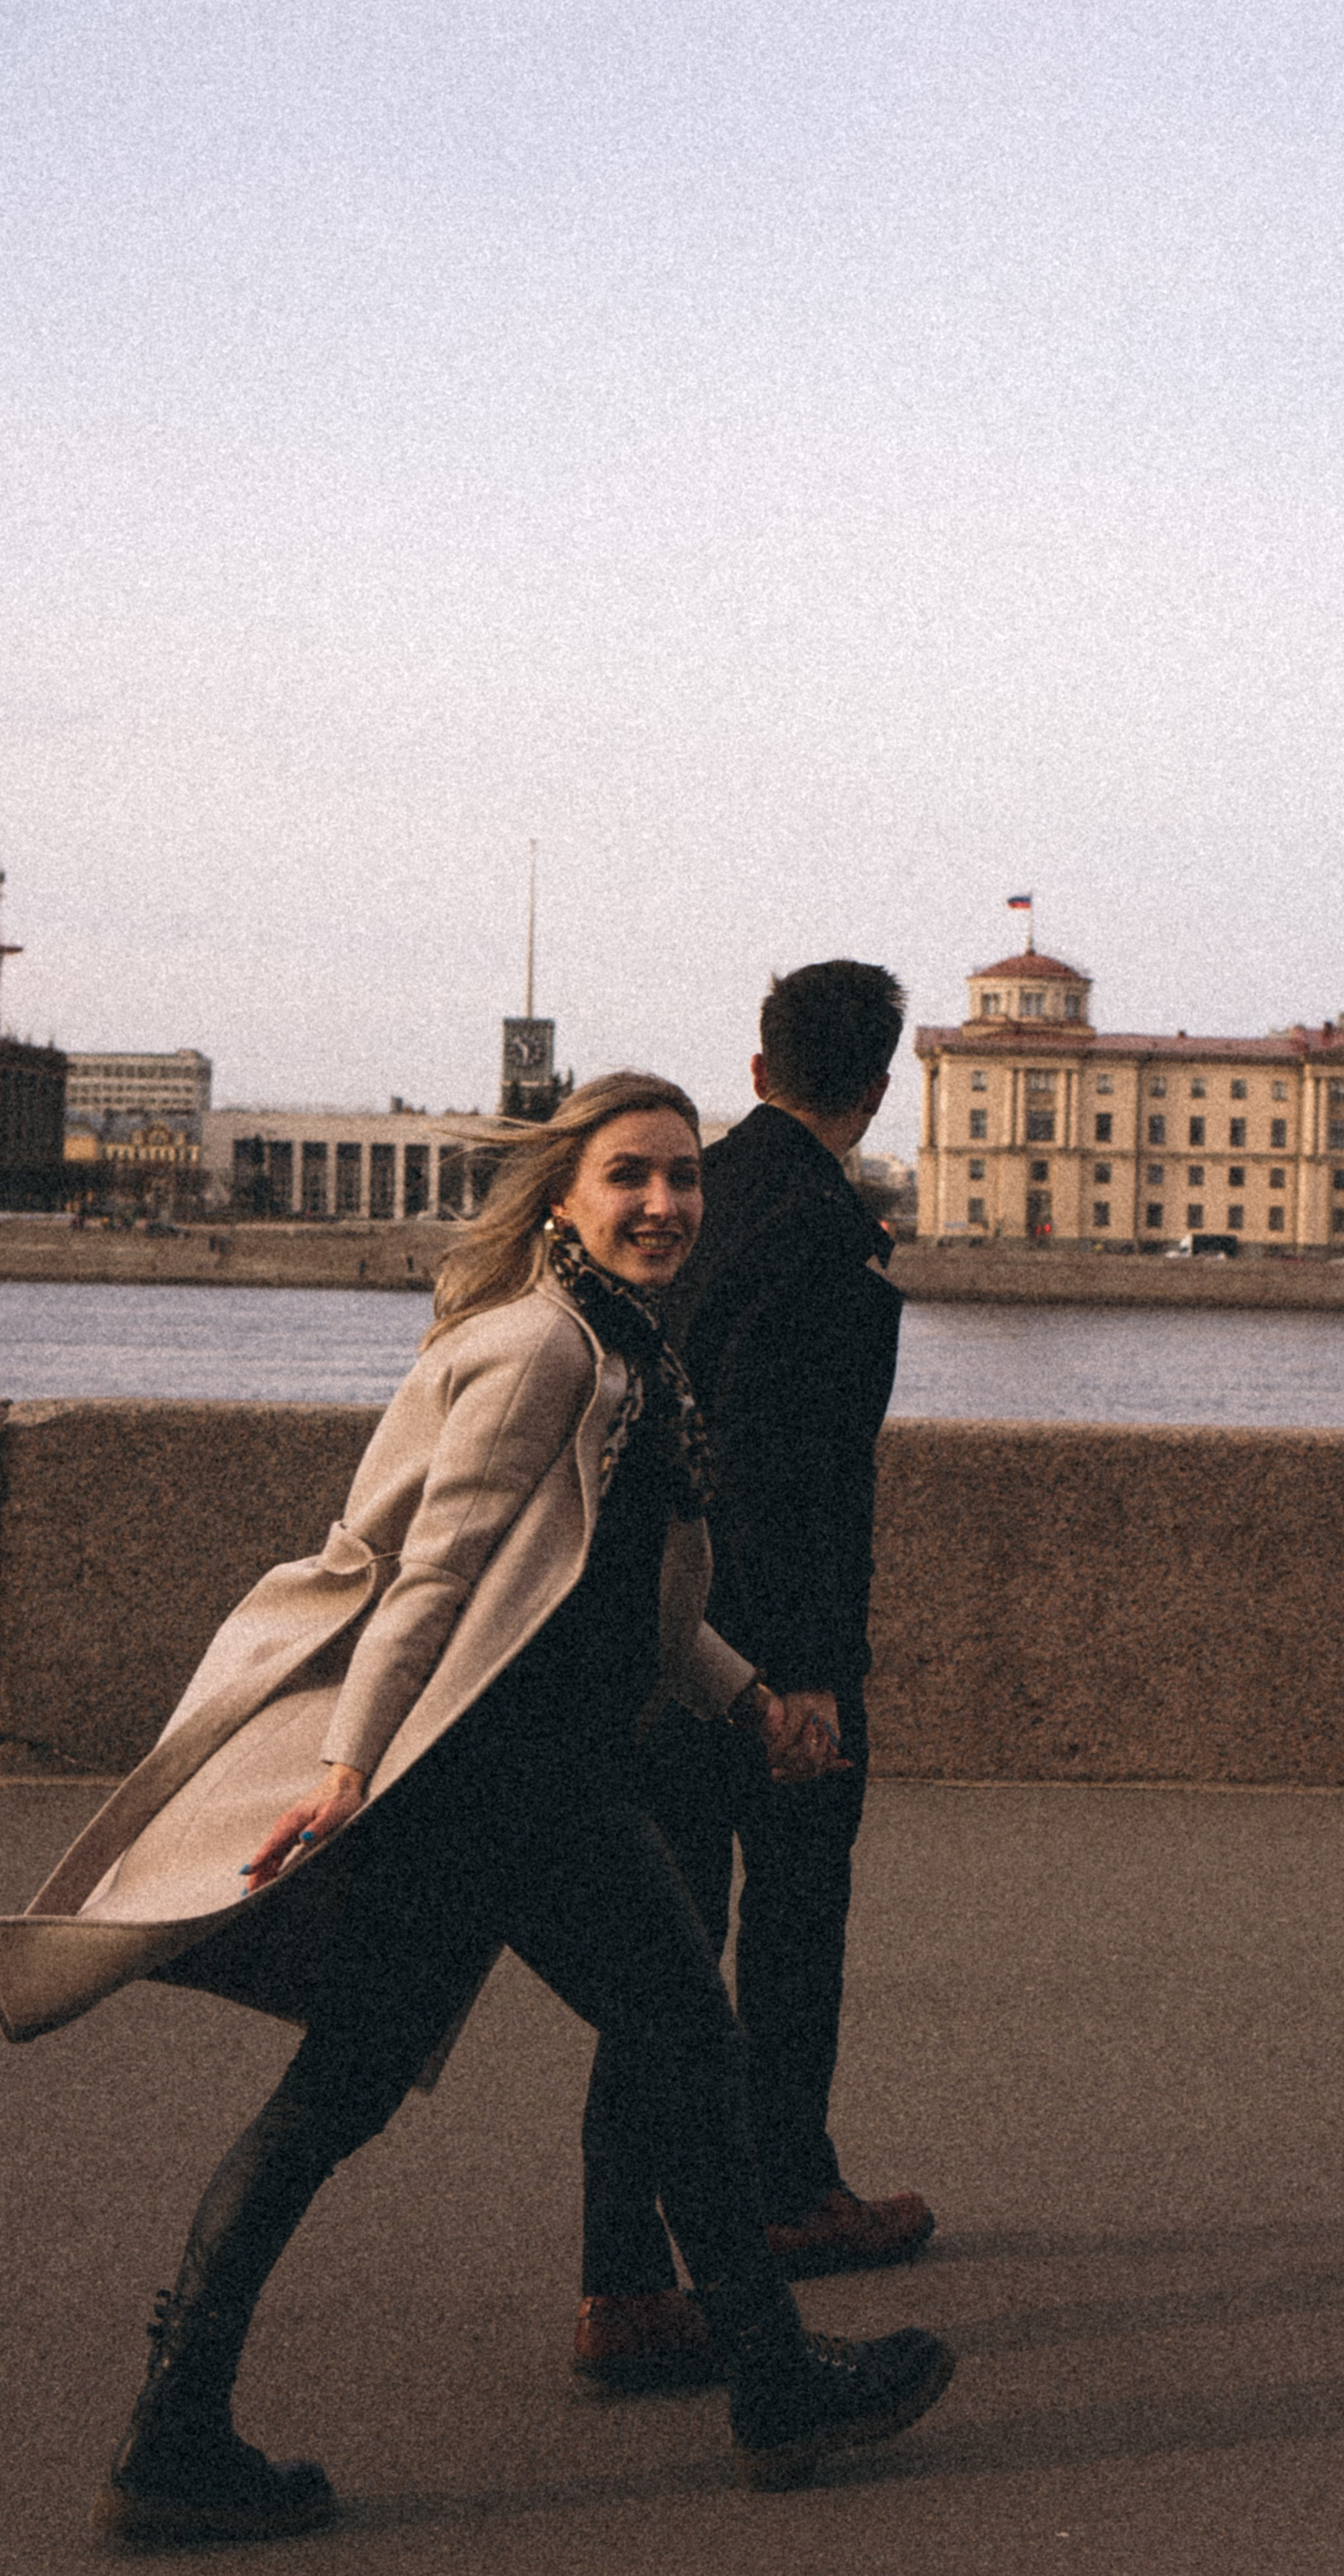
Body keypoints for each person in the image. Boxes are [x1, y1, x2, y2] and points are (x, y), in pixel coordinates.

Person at [0, 1072, 955, 2550]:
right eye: (629, 1176)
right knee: (682, 2040)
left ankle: (176, 2430)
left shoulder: (610, 1347)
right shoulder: (547, 1355)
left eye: (683, 1179)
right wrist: (348, 1763)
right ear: (562, 1195)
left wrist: (743, 1699)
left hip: (496, 1779)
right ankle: (771, 2386)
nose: (663, 1204)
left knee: (345, 2094)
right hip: (509, 1782)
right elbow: (433, 1578)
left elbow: (597, 1590)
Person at [574, 966, 930, 2394]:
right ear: (880, 1084)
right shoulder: (828, 1254)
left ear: (757, 1064)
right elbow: (811, 1500)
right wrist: (817, 1685)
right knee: (786, 1940)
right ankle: (791, 2197)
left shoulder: (682, 1211)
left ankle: (620, 2275)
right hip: (756, 1660)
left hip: (632, 1646)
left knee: (656, 1966)